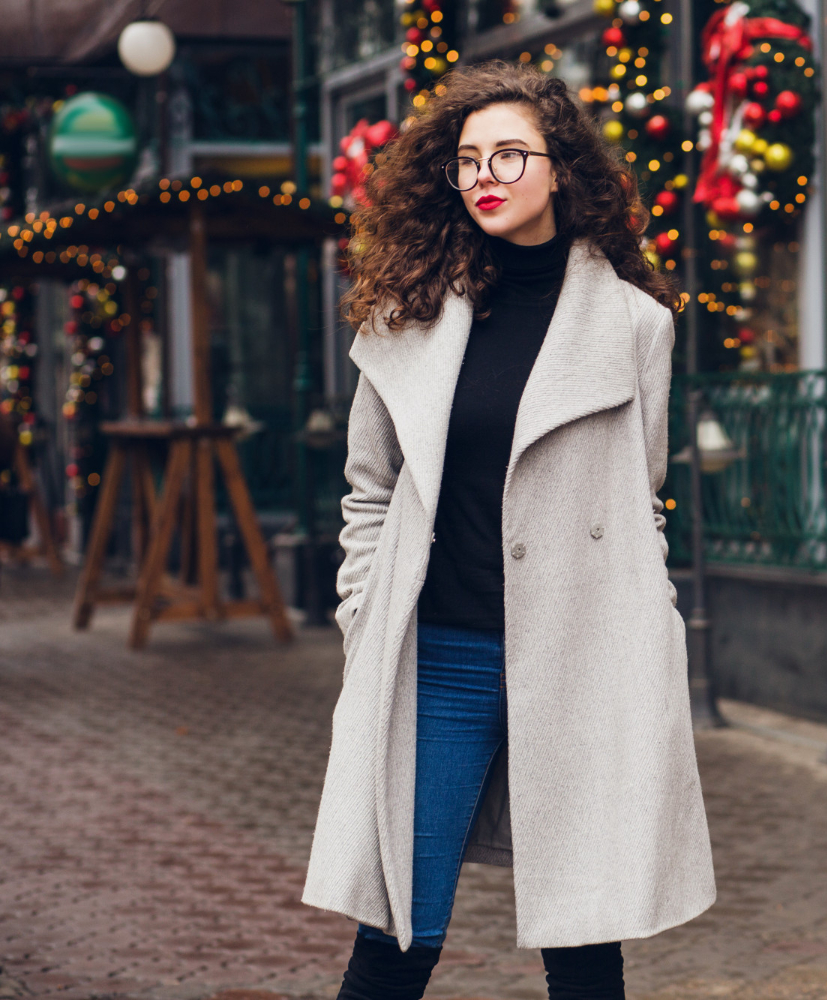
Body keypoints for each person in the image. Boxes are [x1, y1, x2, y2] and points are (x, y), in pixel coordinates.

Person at [301, 62, 716, 1000]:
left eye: (510, 155)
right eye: (467, 161)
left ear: (560, 169)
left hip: (580, 651)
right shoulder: (408, 312)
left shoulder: (635, 325)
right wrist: (364, 613)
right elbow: (369, 488)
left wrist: (651, 624)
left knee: (585, 939)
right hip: (437, 656)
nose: (485, 174)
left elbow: (639, 494)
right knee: (398, 932)